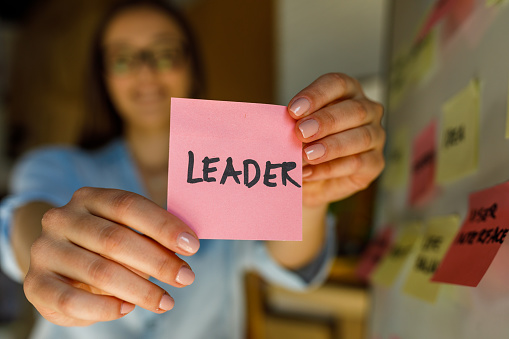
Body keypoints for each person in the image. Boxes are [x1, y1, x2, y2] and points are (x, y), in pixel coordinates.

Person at [0, 0, 386, 338]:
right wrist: (42, 244)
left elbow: (289, 263)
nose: (146, 73)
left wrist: (309, 199)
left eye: (164, 54)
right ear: (103, 78)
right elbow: (25, 218)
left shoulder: (238, 164)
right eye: (122, 58)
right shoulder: (55, 164)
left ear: (191, 66)